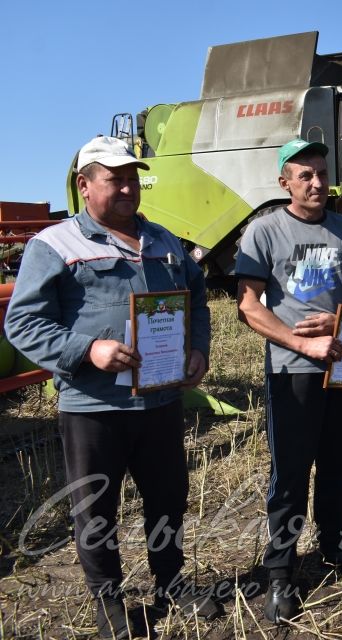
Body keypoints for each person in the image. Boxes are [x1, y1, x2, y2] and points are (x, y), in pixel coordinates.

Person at [4, 136, 220, 638]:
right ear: (84, 186)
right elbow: (24, 324)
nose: (127, 187)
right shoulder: (54, 244)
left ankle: (171, 582)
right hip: (94, 405)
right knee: (96, 507)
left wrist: (198, 350)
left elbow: (199, 302)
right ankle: (108, 599)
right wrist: (88, 351)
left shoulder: (164, 241)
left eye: (131, 177)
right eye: (113, 178)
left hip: (161, 397)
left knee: (167, 496)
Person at [235, 138, 342, 624]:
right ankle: (281, 571)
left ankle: (334, 544)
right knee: (291, 473)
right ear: (285, 183)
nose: (317, 183)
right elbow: (249, 307)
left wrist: (339, 324)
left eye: (321, 173)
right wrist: (304, 344)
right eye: (305, 176)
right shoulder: (263, 232)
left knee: (339, 462)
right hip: (291, 372)